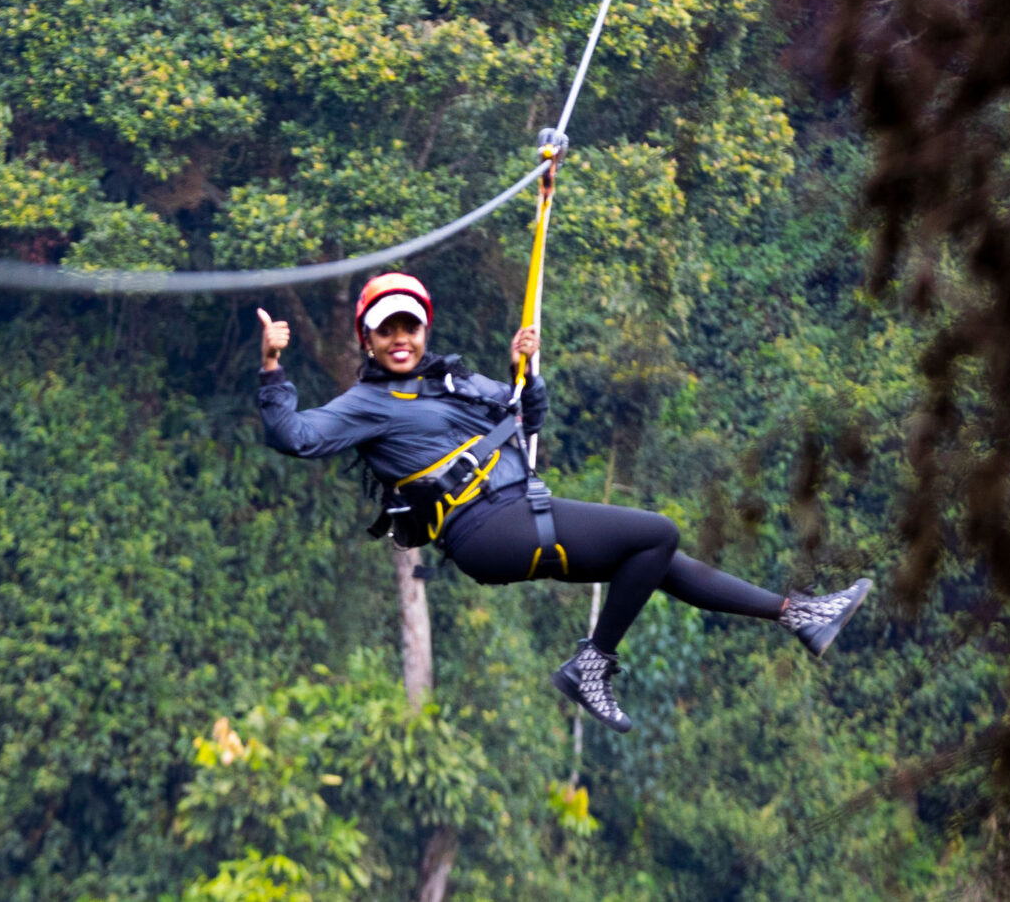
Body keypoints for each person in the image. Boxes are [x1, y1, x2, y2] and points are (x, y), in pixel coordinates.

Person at [255, 271, 872, 732]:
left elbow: (528, 415)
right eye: (384, 330)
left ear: (424, 332)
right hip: (484, 529)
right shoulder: (367, 406)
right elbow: (296, 438)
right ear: (366, 340)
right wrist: (273, 369)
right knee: (656, 533)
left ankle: (799, 616)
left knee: (656, 562)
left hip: (520, 511)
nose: (398, 340)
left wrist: (526, 372)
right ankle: (593, 665)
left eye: (408, 327)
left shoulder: (458, 384)